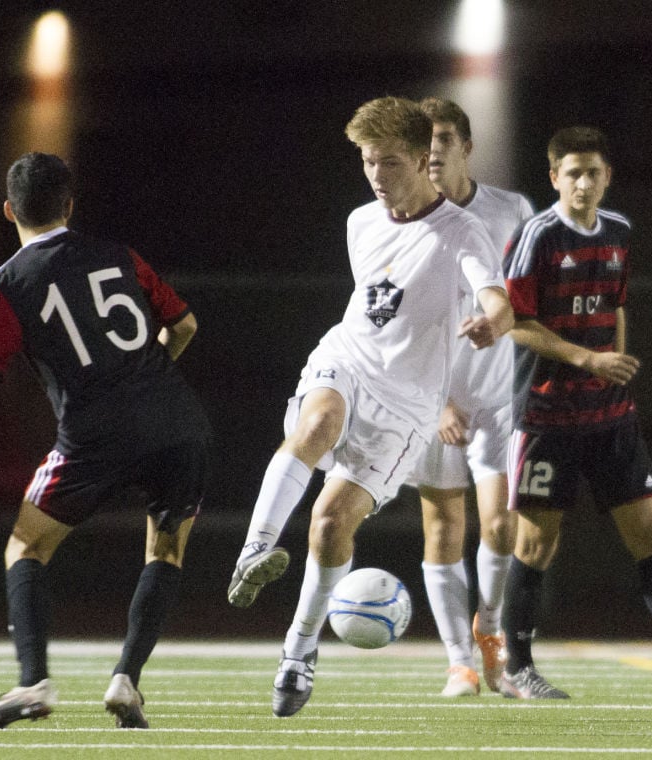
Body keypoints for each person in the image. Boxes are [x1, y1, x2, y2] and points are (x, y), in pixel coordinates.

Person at [226, 96, 515, 717]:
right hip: (348, 360)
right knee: (318, 422)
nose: (376, 176)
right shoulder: (361, 221)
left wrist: (492, 321)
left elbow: (497, 297)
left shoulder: (464, 232)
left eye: (388, 163)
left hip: (409, 407)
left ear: (421, 158)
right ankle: (257, 546)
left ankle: (299, 651)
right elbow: (374, 306)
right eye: (366, 162)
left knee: (331, 525)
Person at [0, 152, 211, 728]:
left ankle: (33, 684)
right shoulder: (118, 255)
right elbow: (183, 325)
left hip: (93, 433)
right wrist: (149, 376)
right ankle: (126, 680)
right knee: (165, 550)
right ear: (70, 206)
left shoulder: (6, 284)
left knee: (25, 548)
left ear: (9, 211)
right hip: (178, 423)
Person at [499, 126, 652, 700]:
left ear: (608, 176)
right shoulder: (536, 236)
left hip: (611, 416)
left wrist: (616, 362)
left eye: (594, 172)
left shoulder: (620, 232)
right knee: (536, 546)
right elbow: (516, 319)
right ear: (554, 177)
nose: (584, 183)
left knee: (651, 536)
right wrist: (586, 357)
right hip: (546, 418)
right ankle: (517, 667)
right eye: (573, 173)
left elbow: (617, 304)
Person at [407, 97, 533, 697]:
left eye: (444, 140)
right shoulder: (400, 218)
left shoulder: (511, 211)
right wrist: (435, 401)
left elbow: (526, 303)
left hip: (501, 395)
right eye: (424, 141)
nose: (432, 151)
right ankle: (459, 661)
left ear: (467, 148)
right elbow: (391, 323)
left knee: (501, 524)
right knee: (442, 529)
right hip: (435, 401)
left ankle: (490, 629)